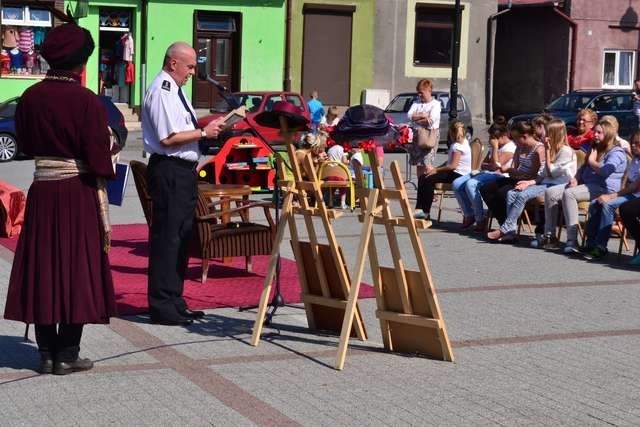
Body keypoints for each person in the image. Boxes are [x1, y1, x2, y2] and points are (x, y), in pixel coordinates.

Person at [3, 22, 117, 375]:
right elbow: (98, 157)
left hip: (43, 190)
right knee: (75, 268)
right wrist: (109, 146)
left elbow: (27, 144)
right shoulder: (86, 100)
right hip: (77, 192)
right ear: (81, 63)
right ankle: (67, 353)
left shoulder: (30, 97)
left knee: (43, 267)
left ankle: (46, 353)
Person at [142, 41, 224, 326]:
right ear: (172, 63)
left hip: (183, 171)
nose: (193, 72)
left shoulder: (176, 91)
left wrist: (209, 127)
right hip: (170, 170)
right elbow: (168, 137)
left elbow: (183, 127)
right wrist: (203, 133)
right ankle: (162, 304)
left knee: (181, 236)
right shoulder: (162, 90)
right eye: (189, 66)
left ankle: (174, 298)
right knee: (168, 238)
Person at [489, 119, 576, 243]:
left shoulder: (565, 151)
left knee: (522, 195)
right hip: (544, 182)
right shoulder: (551, 149)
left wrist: (546, 151)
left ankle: (505, 228)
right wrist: (528, 183)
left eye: (547, 133)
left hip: (556, 185)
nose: (544, 136)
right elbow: (542, 174)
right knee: (512, 193)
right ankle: (511, 232)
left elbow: (552, 172)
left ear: (555, 134)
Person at [556, 118, 627, 254]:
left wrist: (591, 161)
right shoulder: (595, 148)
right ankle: (551, 236)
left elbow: (605, 171)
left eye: (599, 133)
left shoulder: (616, 152)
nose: (594, 135)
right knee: (552, 192)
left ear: (608, 135)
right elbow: (583, 168)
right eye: (595, 132)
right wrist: (576, 178)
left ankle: (572, 239)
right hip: (589, 185)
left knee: (570, 194)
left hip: (605, 188)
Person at [479, 120, 545, 241]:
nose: (514, 141)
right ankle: (504, 223)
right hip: (517, 177)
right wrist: (508, 169)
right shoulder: (520, 147)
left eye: (516, 138)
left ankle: (508, 228)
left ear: (524, 136)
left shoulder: (538, 150)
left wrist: (513, 171)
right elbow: (515, 167)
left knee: (502, 193)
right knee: (485, 188)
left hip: (529, 182)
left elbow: (535, 174)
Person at [580, 130, 640, 261]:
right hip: (630, 194)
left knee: (608, 204)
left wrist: (611, 196)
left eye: (637, 143)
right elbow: (626, 181)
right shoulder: (635, 159)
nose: (634, 146)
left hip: (636, 197)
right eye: (632, 143)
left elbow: (634, 186)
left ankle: (601, 247)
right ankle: (591, 243)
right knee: (596, 203)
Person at [453, 119, 516, 231]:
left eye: (495, 137)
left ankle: (480, 218)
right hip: (488, 172)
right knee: (457, 183)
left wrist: (495, 148)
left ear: (504, 136)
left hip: (501, 175)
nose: (492, 140)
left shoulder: (510, 147)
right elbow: (484, 164)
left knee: (471, 184)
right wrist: (491, 162)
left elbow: (497, 165)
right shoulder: (494, 146)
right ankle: (469, 214)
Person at [414, 120, 471, 220]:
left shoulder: (457, 146)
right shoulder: (464, 142)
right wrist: (435, 169)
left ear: (451, 132)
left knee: (427, 179)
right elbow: (449, 162)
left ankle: (425, 212)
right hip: (456, 172)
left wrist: (436, 170)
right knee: (424, 177)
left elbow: (452, 166)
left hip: (459, 174)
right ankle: (419, 210)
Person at [407, 78, 441, 173]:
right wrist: (423, 115)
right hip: (417, 135)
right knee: (418, 164)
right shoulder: (416, 103)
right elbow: (409, 116)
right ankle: (420, 186)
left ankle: (427, 184)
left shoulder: (436, 104)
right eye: (418, 92)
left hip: (429, 136)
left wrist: (416, 118)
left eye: (421, 92)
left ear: (428, 91)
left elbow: (431, 121)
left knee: (427, 163)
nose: (419, 95)